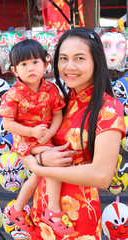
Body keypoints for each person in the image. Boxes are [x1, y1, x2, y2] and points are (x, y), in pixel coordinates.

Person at [19, 27, 126, 240]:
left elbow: (102, 176)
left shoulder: (109, 108)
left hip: (77, 219)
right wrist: (38, 158)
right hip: (43, 209)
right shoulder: (60, 103)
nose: (70, 66)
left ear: (96, 61)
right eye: (64, 58)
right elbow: (26, 139)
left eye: (79, 58)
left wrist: (37, 166)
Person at [0, 39, 74, 236]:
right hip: (25, 139)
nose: (30, 68)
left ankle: (16, 209)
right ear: (15, 70)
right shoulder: (12, 94)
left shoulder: (51, 89)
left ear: (46, 64)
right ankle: (53, 211)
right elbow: (7, 124)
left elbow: (57, 114)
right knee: (54, 160)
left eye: (35, 62)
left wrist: (49, 133)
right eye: (24, 64)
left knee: (37, 174)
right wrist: (32, 133)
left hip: (44, 138)